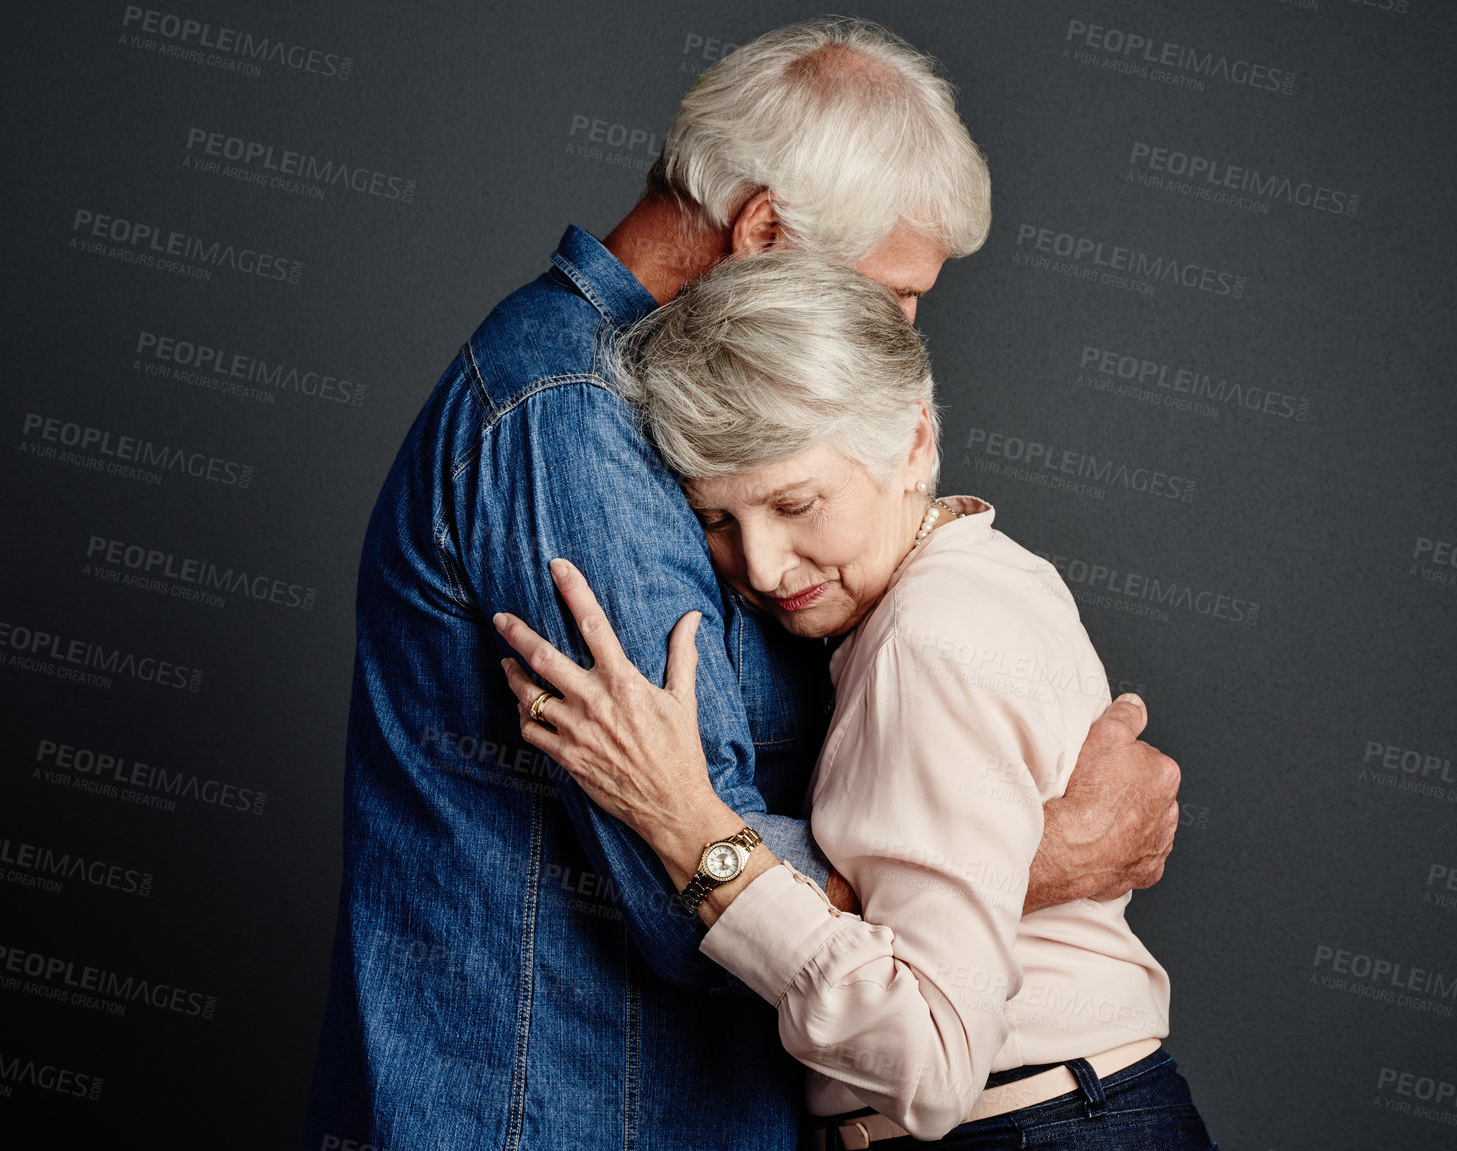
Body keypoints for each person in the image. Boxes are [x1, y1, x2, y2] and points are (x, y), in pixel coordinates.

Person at [304, 17, 1182, 1150]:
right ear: (763, 231)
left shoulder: (686, 430)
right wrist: (1031, 850)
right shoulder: (571, 422)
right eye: (891, 297)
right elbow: (679, 885)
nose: (903, 335)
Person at [494, 248, 1215, 1148]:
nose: (758, 564)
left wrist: (685, 822)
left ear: (912, 441)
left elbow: (933, 1059)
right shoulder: (990, 573)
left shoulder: (922, 639)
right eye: (717, 520)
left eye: (796, 504)